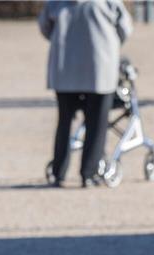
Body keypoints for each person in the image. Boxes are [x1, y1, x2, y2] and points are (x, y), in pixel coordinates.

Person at [38, 0, 133, 187]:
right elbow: (125, 28)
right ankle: (88, 173)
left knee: (64, 121)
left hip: (64, 68)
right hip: (100, 67)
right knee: (97, 123)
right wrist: (110, 44)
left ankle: (59, 171)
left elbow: (45, 27)